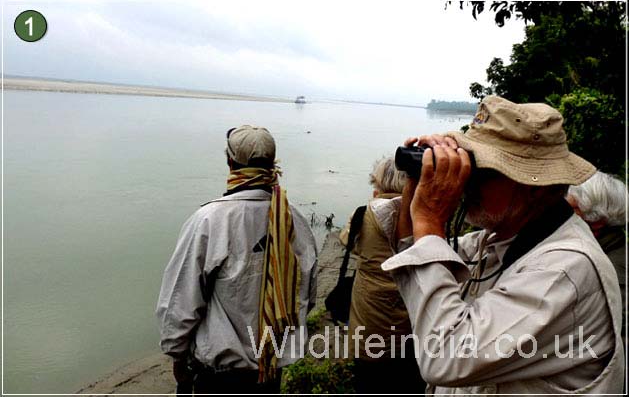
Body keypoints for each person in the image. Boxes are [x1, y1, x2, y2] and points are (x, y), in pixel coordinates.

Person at [381, 95, 624, 394]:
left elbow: (444, 356)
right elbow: (414, 251)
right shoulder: (502, 238)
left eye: (482, 171)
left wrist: (430, 217)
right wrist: (418, 183)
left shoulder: (565, 270)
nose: (467, 180)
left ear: (535, 187)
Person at [156, 125, 318, 394]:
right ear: (272, 163)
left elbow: (180, 301)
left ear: (230, 162)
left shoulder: (210, 221)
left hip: (219, 378)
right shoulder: (294, 221)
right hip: (270, 372)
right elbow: (306, 295)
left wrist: (176, 354)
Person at [339, 157, 425, 394]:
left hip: (370, 321)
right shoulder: (424, 216)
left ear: (378, 182)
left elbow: (348, 242)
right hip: (412, 320)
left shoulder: (364, 215)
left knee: (370, 382)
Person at [566, 171, 627, 346]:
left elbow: (609, 331)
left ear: (597, 220)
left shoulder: (614, 266)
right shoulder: (587, 248)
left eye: (571, 209)